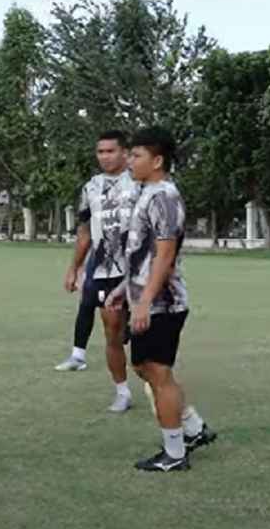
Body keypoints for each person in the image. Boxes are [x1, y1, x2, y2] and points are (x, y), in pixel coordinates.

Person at [107, 127, 216, 472]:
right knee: (146, 368)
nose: (129, 161)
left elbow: (165, 256)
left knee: (156, 370)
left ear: (157, 161)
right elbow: (143, 252)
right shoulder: (147, 192)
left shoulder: (164, 197)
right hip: (145, 296)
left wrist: (145, 302)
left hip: (162, 303)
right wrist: (125, 288)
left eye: (136, 156)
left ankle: (175, 453)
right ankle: (194, 429)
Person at [59, 131, 137, 411]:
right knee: (112, 332)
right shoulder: (90, 187)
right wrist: (74, 268)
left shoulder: (140, 183)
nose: (104, 157)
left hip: (141, 269)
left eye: (110, 151)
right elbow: (84, 233)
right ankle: (122, 392)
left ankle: (158, 380)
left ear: (125, 153)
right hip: (105, 268)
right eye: (100, 152)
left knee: (146, 332)